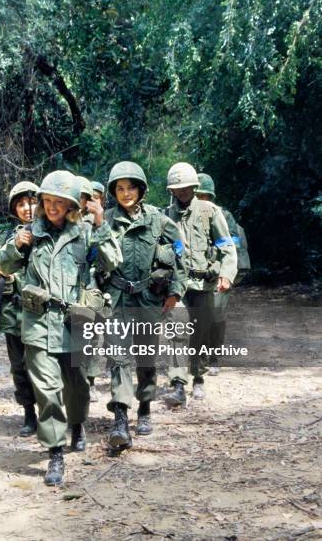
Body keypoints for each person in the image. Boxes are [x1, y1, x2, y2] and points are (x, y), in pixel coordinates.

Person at [0, 170, 121, 486]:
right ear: (41, 203)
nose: (52, 207)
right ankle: (55, 453)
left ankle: (77, 425)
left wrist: (101, 222)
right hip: (38, 324)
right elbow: (3, 267)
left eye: (60, 202)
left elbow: (112, 262)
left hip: (76, 321)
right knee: (48, 391)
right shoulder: (29, 234)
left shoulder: (86, 233)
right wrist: (14, 247)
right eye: (47, 201)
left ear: (70, 205)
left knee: (78, 387)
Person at [100, 161, 187, 450]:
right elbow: (89, 259)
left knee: (145, 359)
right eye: (120, 188)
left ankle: (145, 407)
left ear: (141, 189)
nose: (126, 193)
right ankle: (121, 419)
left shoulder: (158, 220)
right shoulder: (106, 221)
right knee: (118, 358)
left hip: (149, 300)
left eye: (131, 187)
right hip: (116, 300)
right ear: (114, 192)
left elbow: (180, 256)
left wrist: (175, 291)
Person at [165, 163, 237, 400]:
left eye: (186, 187)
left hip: (203, 284)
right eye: (177, 188)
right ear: (171, 190)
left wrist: (226, 273)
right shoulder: (166, 216)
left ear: (194, 187)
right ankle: (177, 383)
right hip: (178, 284)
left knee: (200, 332)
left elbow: (226, 245)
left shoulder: (210, 211)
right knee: (177, 329)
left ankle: (198, 377)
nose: (182, 191)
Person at [0, 181, 39, 437]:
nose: (28, 208)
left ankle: (57, 414)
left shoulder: (52, 232)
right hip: (15, 314)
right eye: (22, 204)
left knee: (48, 365)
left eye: (32, 202)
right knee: (20, 366)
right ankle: (29, 413)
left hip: (44, 313)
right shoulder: (6, 236)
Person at [196, 173, 250, 374]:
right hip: (196, 274)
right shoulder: (185, 214)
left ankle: (214, 357)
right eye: (197, 195)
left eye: (204, 196)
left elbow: (232, 246)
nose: (201, 200)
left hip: (220, 272)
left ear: (211, 196)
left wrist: (224, 271)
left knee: (216, 315)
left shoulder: (224, 216)